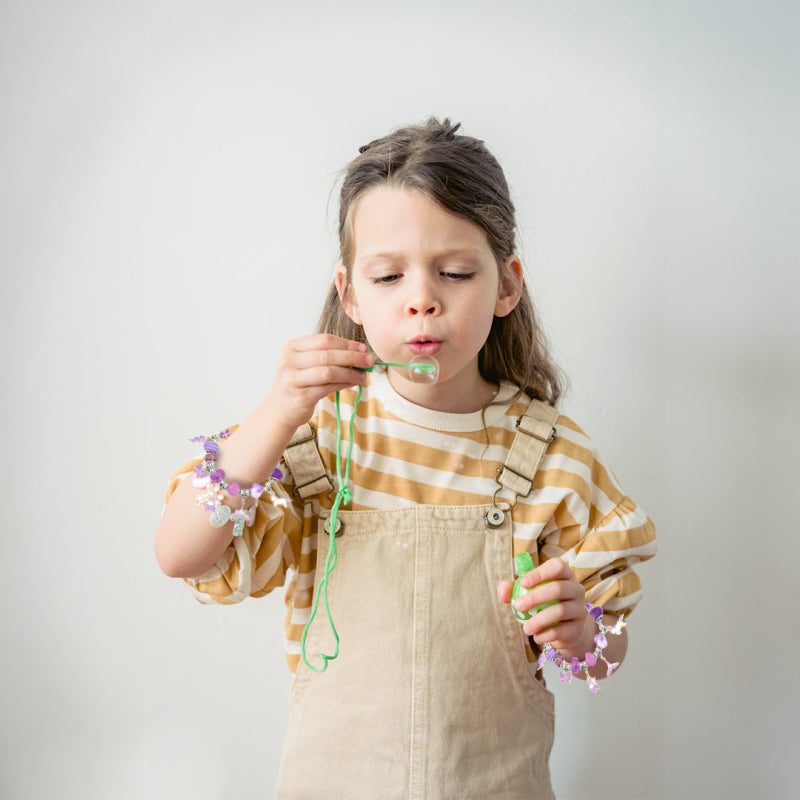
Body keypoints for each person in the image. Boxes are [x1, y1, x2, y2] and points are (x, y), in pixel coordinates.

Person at [154, 116, 658, 799]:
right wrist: (275, 413)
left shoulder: (551, 456)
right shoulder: (317, 441)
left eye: (454, 272)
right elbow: (183, 555)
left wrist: (579, 626)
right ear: (350, 294)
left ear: (506, 286)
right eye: (388, 276)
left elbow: (605, 652)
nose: (422, 298)